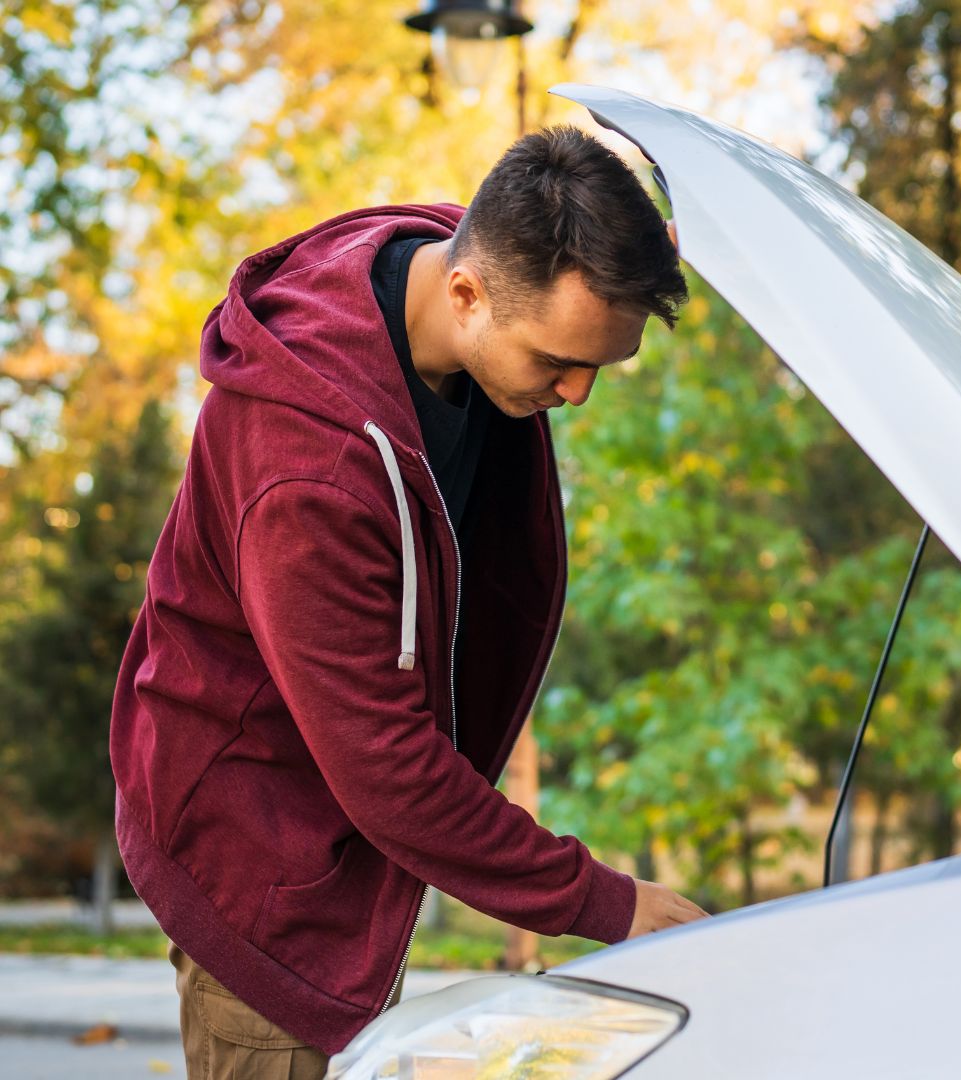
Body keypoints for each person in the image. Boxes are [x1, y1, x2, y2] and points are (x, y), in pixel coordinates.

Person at [109, 127, 710, 1078]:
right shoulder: (309, 474)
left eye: (604, 364)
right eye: (559, 360)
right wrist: (606, 901)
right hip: (259, 848)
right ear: (467, 295)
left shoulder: (447, 257)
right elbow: (385, 768)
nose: (580, 393)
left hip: (343, 815)